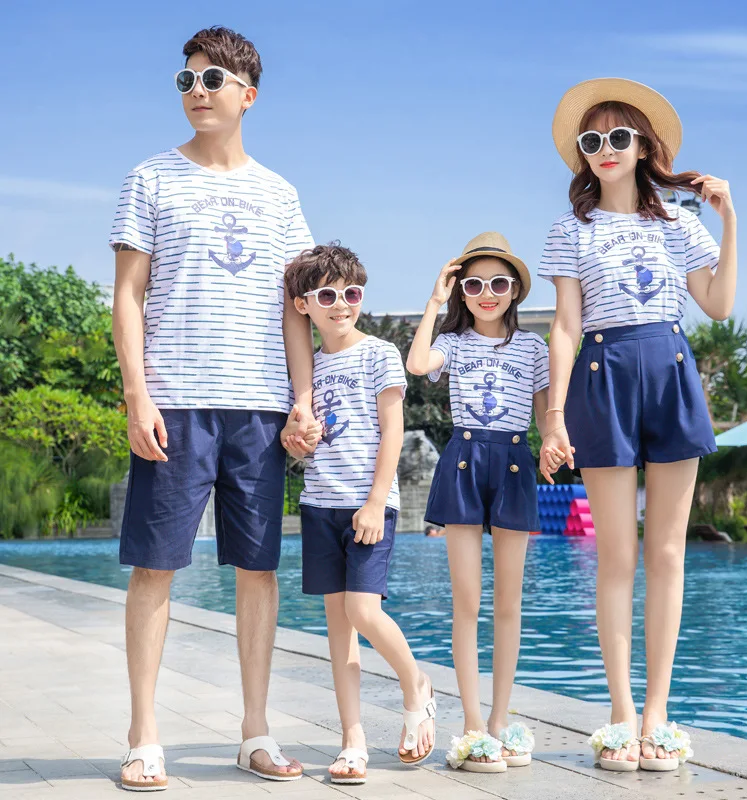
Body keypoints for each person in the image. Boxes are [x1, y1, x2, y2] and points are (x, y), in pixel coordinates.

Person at [110, 26, 318, 791]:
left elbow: (296, 312)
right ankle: (144, 738)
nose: (197, 90)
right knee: (155, 569)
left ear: (247, 95)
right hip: (177, 403)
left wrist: (302, 400)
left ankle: (255, 733)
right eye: (186, 80)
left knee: (257, 571)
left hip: (260, 408)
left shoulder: (280, 195)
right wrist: (138, 394)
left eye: (213, 80)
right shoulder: (151, 178)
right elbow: (127, 296)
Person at [539, 78, 736, 772]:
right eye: (591, 141)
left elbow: (715, 302)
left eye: (618, 137)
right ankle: (621, 712)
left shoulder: (680, 225)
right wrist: (555, 414)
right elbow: (565, 325)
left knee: (670, 554)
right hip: (601, 378)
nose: (604, 150)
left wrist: (728, 218)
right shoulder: (571, 228)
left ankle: (658, 710)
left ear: (645, 146)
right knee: (616, 557)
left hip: (670, 368)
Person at [280, 243, 436, 786]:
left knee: (364, 612)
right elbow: (294, 435)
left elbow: (393, 431)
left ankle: (415, 685)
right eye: (327, 295)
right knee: (339, 630)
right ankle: (352, 740)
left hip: (368, 506)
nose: (341, 304)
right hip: (319, 505)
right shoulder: (305, 368)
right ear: (305, 305)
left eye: (351, 293)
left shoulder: (380, 354)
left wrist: (375, 502)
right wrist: (295, 441)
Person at [407, 233, 546, 773]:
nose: (487, 293)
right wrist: (434, 302)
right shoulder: (455, 342)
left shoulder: (533, 349)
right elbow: (418, 364)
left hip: (513, 461)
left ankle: (499, 719)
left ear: (515, 290)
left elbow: (544, 413)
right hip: (463, 460)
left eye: (498, 283)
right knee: (468, 602)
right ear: (461, 291)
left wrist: (558, 442)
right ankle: (469, 721)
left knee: (508, 602)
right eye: (474, 284)